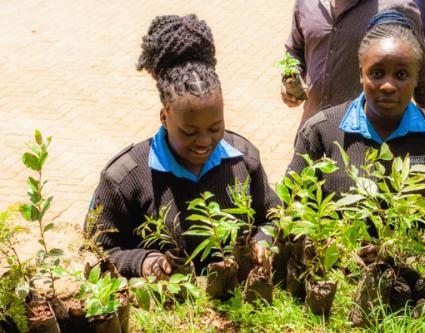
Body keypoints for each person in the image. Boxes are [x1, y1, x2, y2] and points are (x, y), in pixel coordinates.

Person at [86, 14, 280, 279]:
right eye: (189, 132)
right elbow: (96, 252)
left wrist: (263, 239)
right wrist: (143, 262)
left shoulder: (244, 160)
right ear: (164, 117)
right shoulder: (124, 179)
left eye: (215, 128)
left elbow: (271, 216)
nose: (204, 142)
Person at [287, 10, 425, 199]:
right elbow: (291, 210)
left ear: (417, 78)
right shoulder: (320, 132)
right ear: (361, 74)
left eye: (401, 75)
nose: (388, 86)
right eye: (377, 73)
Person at [281, 0, 425, 127]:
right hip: (311, 132)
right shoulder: (306, 3)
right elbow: (295, 49)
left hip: (366, 148)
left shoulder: (395, 8)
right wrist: (291, 78)